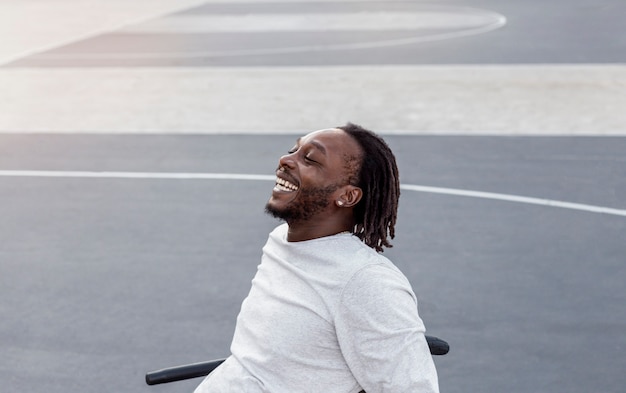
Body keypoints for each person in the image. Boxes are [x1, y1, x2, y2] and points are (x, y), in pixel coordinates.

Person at [194, 123, 439, 393]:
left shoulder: (367, 282)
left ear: (347, 196)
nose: (285, 160)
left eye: (309, 159)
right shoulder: (281, 240)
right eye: (293, 150)